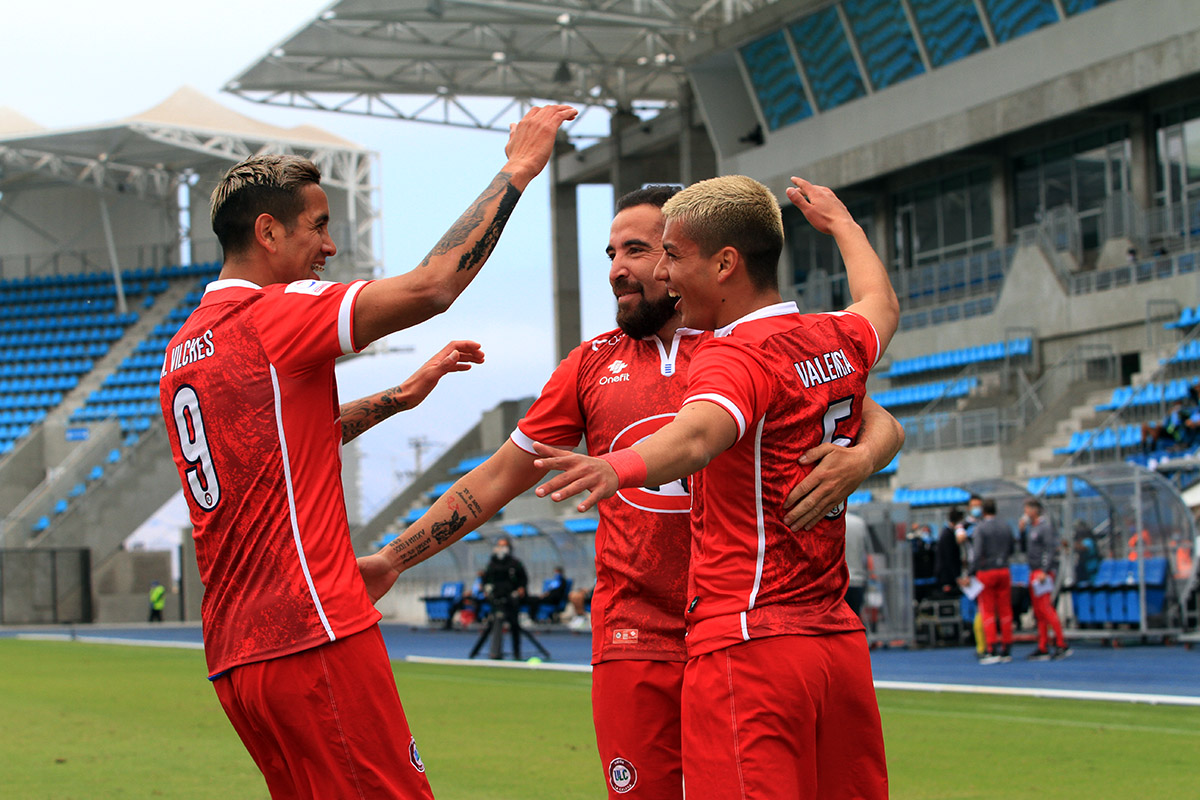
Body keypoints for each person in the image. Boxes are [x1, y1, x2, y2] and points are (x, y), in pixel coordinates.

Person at [357, 184, 903, 799]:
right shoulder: (591, 365)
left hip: (740, 635)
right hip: (638, 636)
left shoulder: (736, 345)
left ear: (698, 258)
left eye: (644, 250)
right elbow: (496, 479)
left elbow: (868, 413)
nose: (621, 269)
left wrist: (863, 457)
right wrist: (392, 559)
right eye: (611, 253)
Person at [157, 104, 577, 800]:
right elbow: (433, 285)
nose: (328, 248)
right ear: (268, 232)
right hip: (313, 631)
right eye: (319, 227)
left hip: (236, 655)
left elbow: (275, 446)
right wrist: (519, 168)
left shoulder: (184, 348)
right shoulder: (273, 314)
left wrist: (398, 398)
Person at [532, 175, 899, 799]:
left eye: (673, 256)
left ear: (726, 263)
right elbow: (880, 303)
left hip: (747, 643)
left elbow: (700, 434)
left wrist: (614, 466)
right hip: (836, 642)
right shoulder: (834, 336)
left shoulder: (734, 356)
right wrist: (843, 225)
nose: (665, 276)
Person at [1020, 498, 1071, 660]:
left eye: (1027, 509)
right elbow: (1023, 549)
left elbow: (1050, 550)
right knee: (1039, 611)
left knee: (1046, 608)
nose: (1025, 513)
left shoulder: (1045, 527)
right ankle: (1042, 645)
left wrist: (1044, 570)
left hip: (1042, 573)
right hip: (1034, 571)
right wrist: (1021, 532)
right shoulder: (1032, 528)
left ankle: (1061, 643)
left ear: (1034, 510)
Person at [971, 498, 1014, 664]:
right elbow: (1011, 547)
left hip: (987, 571)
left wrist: (971, 571)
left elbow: (977, 552)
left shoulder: (980, 528)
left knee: (987, 611)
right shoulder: (1006, 526)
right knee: (1005, 611)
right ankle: (1007, 646)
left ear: (983, 511)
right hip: (1003, 569)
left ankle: (991, 648)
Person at [481, 536, 528, 659]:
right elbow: (485, 580)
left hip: (511, 598)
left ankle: (517, 652)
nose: (501, 548)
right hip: (496, 598)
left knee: (514, 625)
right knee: (497, 623)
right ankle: (495, 652)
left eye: (504, 545)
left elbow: (523, 579)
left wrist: (520, 589)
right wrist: (486, 590)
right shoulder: (492, 564)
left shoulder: (515, 563)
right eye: (499, 545)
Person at [844, 512, 869, 617]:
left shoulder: (829, 523)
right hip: (857, 579)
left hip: (839, 581)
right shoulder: (859, 523)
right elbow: (865, 551)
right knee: (855, 618)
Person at [935, 509, 965, 597]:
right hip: (947, 576)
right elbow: (949, 558)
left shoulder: (948, 533)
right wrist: (956, 576)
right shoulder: (948, 535)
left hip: (948, 574)